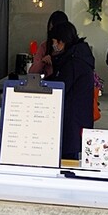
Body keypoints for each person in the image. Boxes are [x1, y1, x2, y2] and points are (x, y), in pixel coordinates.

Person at [46, 21, 95, 160]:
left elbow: (61, 85)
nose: (53, 45)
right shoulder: (77, 55)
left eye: (54, 41)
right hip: (77, 115)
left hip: (72, 118)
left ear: (62, 41)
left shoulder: (74, 61)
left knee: (68, 158)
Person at [29, 10, 69, 77]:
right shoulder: (44, 46)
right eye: (50, 30)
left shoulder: (72, 49)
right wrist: (42, 61)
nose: (52, 33)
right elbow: (32, 73)